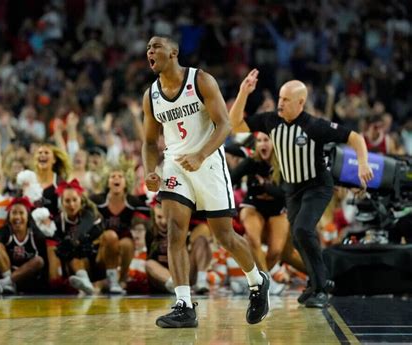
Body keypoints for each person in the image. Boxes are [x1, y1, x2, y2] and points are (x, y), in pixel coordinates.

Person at [142, 36, 269, 328]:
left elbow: (225, 124)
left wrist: (200, 155)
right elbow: (149, 142)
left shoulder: (200, 80)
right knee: (175, 231)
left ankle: (256, 280)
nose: (150, 51)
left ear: (173, 52)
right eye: (148, 48)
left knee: (224, 235)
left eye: (156, 46)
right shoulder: (151, 95)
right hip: (175, 163)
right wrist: (150, 170)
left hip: (209, 160)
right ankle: (184, 304)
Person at [229, 68, 374, 308]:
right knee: (297, 238)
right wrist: (244, 92)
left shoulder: (314, 125)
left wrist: (362, 163)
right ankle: (317, 283)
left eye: (286, 100)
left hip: (317, 186)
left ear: (300, 103)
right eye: (279, 98)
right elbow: (235, 124)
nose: (280, 103)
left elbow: (355, 137)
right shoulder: (270, 121)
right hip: (292, 189)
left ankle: (321, 287)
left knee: (304, 230)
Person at [230, 132, 306, 294]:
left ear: (275, 144)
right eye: (259, 141)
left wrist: (265, 186)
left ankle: (253, 282)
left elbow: (286, 194)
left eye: (266, 140)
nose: (262, 144)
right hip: (253, 206)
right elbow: (230, 178)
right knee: (253, 239)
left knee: (277, 251)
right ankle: (266, 283)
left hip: (277, 209)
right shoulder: (251, 161)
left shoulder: (286, 163)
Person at [0, 197, 47, 294]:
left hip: (27, 279)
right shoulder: (4, 231)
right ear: (9, 216)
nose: (17, 217)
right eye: (14, 213)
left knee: (39, 261)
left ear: (28, 216)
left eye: (21, 213)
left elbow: (43, 262)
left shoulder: (36, 235)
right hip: (6, 273)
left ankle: (7, 282)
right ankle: (9, 284)